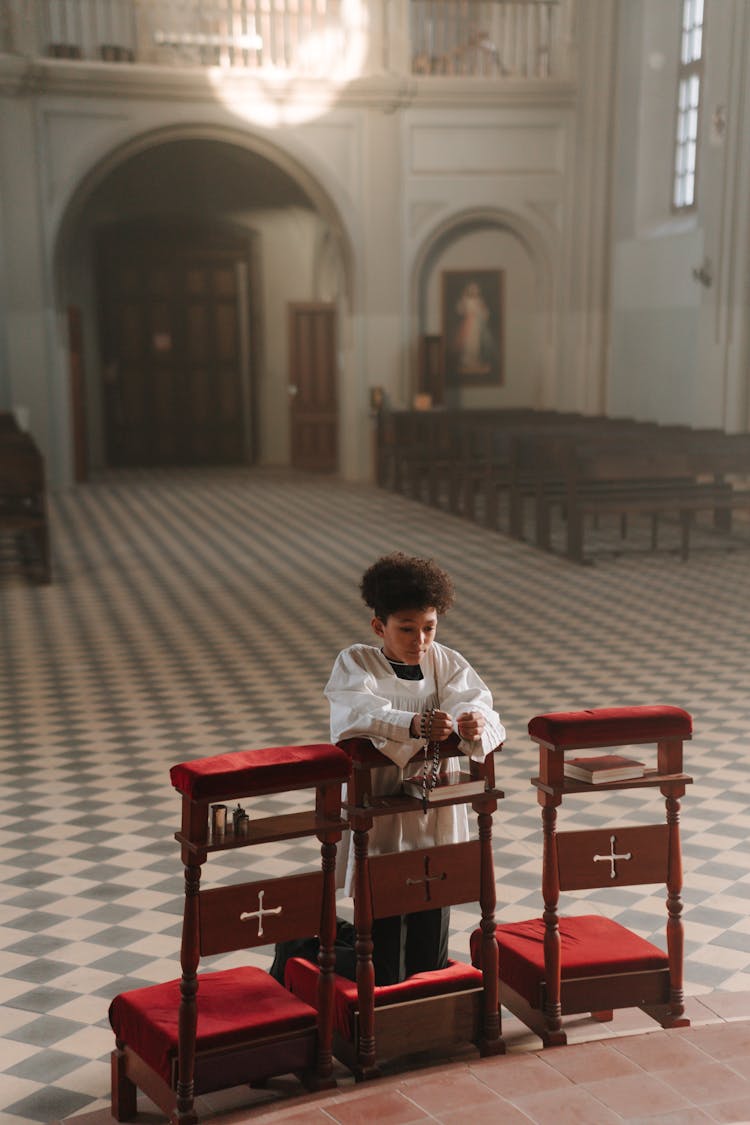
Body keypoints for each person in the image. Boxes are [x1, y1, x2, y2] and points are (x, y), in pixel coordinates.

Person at [324, 551, 505, 985]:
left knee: (430, 946)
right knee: (384, 958)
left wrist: (472, 720)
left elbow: (478, 700)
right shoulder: (357, 662)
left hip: (434, 804)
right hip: (383, 805)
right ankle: (311, 951)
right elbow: (358, 714)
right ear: (378, 627)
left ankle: (428, 1006)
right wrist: (415, 724)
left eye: (429, 628)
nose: (419, 641)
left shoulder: (444, 660)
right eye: (406, 629)